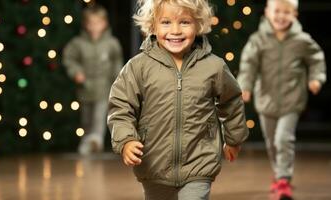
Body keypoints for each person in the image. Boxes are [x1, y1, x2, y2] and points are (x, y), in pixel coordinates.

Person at [107, 0, 249, 199]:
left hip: (199, 162)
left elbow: (231, 101)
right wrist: (126, 140)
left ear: (198, 24)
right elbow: (121, 105)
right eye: (166, 22)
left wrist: (234, 138)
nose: (175, 30)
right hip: (154, 166)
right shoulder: (138, 67)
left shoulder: (214, 67)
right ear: (153, 25)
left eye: (184, 22)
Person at [237, 0, 326, 199]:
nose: (281, 16)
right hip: (266, 100)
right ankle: (278, 175)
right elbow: (248, 65)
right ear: (267, 12)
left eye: (286, 12)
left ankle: (283, 178)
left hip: (291, 100)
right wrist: (245, 86)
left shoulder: (302, 40)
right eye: (277, 11)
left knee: (283, 139)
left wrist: (316, 78)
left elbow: (316, 59)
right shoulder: (258, 39)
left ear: (294, 14)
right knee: (271, 143)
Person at [63, 4, 123, 155]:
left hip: (104, 88)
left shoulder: (112, 43)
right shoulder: (78, 43)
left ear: (104, 23)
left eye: (98, 22)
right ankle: (87, 142)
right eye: (91, 23)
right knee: (86, 118)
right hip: (85, 88)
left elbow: (117, 62)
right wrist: (76, 72)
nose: (95, 26)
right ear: (86, 24)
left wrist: (118, 81)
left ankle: (96, 139)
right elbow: (69, 59)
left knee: (99, 115)